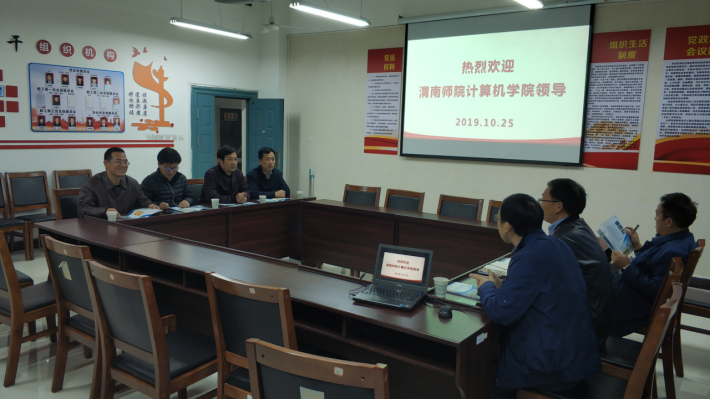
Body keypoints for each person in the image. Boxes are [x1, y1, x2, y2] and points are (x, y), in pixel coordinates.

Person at [472, 194, 600, 398]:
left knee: (482, 380)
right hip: (574, 355)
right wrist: (502, 287)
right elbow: (538, 291)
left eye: (498, 218)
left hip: (552, 368)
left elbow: (500, 312)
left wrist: (486, 287)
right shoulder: (555, 244)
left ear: (507, 227)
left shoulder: (529, 256)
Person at [540, 179, 614, 348]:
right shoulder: (579, 227)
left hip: (585, 330)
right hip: (599, 321)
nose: (541, 205)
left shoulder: (562, 239)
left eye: (543, 199)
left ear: (558, 206)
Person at [611, 193, 698, 337]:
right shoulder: (683, 239)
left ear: (669, 222)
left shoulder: (674, 251)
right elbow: (654, 266)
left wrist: (627, 266)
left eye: (657, 214)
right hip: (629, 290)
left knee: (584, 282)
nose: (655, 219)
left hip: (628, 305)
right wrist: (638, 247)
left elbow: (656, 289)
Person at [78, 147, 159, 219]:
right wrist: (105, 211)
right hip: (100, 226)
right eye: (118, 161)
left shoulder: (132, 183)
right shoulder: (91, 184)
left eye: (125, 162)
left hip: (127, 225)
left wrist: (149, 205)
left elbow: (141, 199)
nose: (123, 165)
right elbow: (83, 209)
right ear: (106, 164)